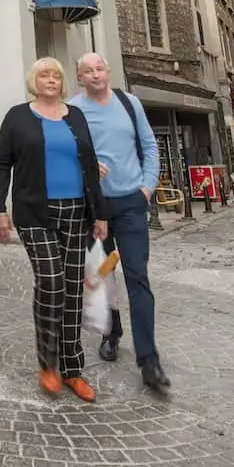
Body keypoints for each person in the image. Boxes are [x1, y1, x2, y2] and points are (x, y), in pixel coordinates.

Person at [0, 57, 109, 402]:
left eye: (56, 76)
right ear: (34, 81)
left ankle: (73, 369)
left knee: (73, 289)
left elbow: (90, 166)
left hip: (76, 211)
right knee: (51, 282)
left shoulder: (76, 116)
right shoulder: (17, 117)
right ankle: (48, 363)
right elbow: (2, 164)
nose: (51, 80)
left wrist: (100, 214)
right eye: (44, 75)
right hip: (34, 212)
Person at [70, 53, 169, 394]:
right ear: (79, 78)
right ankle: (112, 332)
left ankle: (149, 360)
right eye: (87, 71)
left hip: (130, 202)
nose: (95, 75)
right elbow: (64, 153)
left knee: (137, 276)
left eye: (99, 68)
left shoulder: (129, 103)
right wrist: (85, 165)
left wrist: (147, 188)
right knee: (103, 273)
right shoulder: (73, 110)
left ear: (108, 71)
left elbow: (149, 146)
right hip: (93, 206)